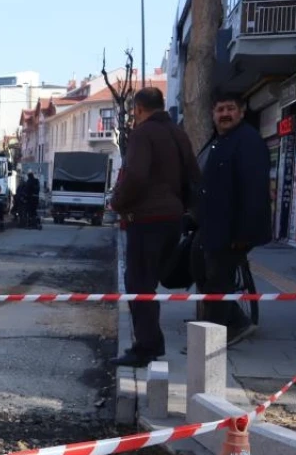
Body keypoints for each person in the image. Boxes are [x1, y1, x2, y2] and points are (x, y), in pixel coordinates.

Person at [109, 86, 201, 367]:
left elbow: (135, 176)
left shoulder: (143, 134)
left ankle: (147, 346)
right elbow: (193, 176)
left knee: (139, 284)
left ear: (137, 109)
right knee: (150, 282)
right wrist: (181, 206)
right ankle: (150, 342)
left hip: (146, 220)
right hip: (172, 219)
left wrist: (118, 202)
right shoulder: (179, 135)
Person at [193, 91, 271, 345]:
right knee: (210, 279)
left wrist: (243, 234)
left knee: (218, 283)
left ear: (241, 111)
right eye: (220, 110)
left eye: (230, 108)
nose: (225, 114)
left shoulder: (248, 142)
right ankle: (236, 322)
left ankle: (211, 344)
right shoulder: (220, 140)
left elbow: (254, 190)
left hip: (231, 231)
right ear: (213, 114)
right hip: (213, 227)